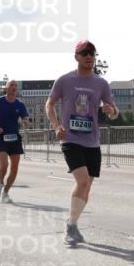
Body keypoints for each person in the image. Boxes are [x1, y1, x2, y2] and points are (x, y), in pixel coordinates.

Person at [46, 40, 119, 246]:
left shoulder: (101, 83)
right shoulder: (64, 80)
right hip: (70, 138)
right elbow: (49, 104)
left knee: (87, 187)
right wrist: (56, 125)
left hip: (92, 141)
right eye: (84, 53)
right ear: (76, 56)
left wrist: (112, 111)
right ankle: (70, 228)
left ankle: (73, 222)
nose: (89, 56)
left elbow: (114, 111)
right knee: (83, 181)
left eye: (92, 53)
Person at [0, 79, 30, 204]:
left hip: (14, 138)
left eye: (15, 86)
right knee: (4, 165)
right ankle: (0, 183)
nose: (13, 87)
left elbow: (25, 118)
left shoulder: (20, 104)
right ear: (6, 89)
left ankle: (6, 193)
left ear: (17, 90)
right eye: (11, 85)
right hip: (1, 136)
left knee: (15, 168)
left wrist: (26, 122)